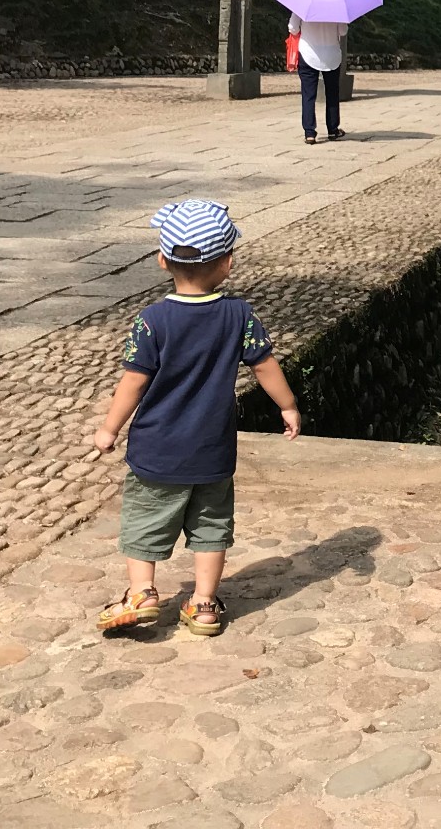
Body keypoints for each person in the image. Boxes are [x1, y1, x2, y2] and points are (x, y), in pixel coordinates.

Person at [92, 199, 300, 639]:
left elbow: (133, 382)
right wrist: (287, 406)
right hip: (213, 449)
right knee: (211, 526)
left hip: (157, 448)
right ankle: (204, 604)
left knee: (145, 520)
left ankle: (142, 592)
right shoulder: (239, 316)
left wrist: (110, 428)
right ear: (227, 263)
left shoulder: (152, 321)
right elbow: (265, 366)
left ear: (162, 260)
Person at [288, 11, 348, 143]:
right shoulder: (337, 6)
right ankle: (333, 130)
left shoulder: (303, 4)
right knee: (332, 93)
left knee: (308, 94)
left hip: (308, 52)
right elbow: (343, 31)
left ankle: (309, 133)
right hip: (331, 55)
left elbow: (292, 28)